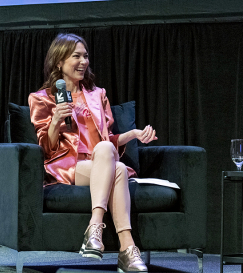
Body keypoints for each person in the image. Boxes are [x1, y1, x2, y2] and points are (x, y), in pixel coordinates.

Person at [29, 33, 158, 272]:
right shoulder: (42, 98)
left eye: (85, 56)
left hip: (101, 163)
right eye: (76, 56)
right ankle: (126, 250)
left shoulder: (98, 95)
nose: (83, 61)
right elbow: (45, 149)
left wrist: (133, 135)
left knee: (115, 163)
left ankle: (100, 230)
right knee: (114, 165)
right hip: (69, 167)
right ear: (59, 62)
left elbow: (107, 141)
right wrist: (56, 120)